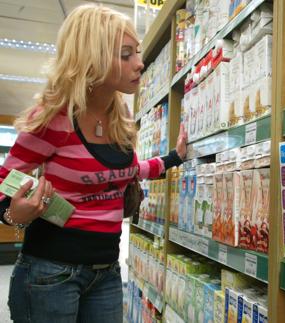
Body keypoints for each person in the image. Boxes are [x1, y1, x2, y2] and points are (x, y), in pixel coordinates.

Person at [0, 4, 187, 323]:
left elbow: (130, 172)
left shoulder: (121, 117)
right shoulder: (55, 120)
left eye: (137, 52)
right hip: (51, 274)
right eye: (125, 54)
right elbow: (5, 178)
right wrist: (9, 213)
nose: (140, 63)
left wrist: (174, 157)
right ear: (91, 58)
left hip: (107, 272)